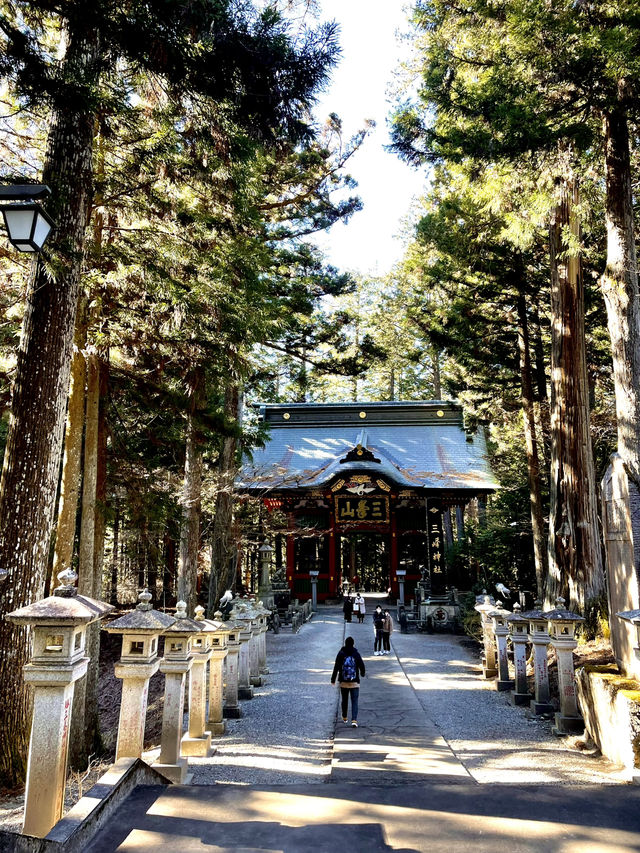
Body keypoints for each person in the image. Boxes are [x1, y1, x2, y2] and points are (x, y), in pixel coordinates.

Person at [331, 636, 365, 727]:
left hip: (343, 682)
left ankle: (345, 716)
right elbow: (361, 665)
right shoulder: (356, 653)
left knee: (344, 700)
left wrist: (333, 679)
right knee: (354, 701)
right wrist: (362, 673)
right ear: (353, 644)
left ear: (345, 643)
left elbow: (336, 667)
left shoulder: (341, 653)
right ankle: (354, 720)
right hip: (354, 682)